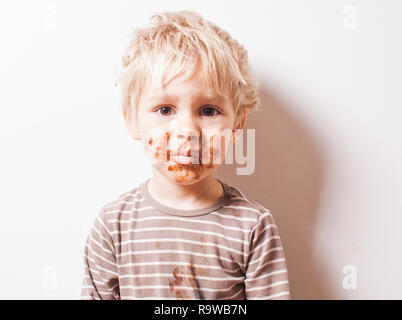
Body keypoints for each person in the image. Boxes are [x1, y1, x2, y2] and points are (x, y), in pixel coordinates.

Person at [80, 10, 290, 300]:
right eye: (165, 110)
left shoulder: (252, 226)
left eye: (208, 111)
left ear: (237, 124)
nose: (188, 131)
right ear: (132, 120)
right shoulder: (113, 226)